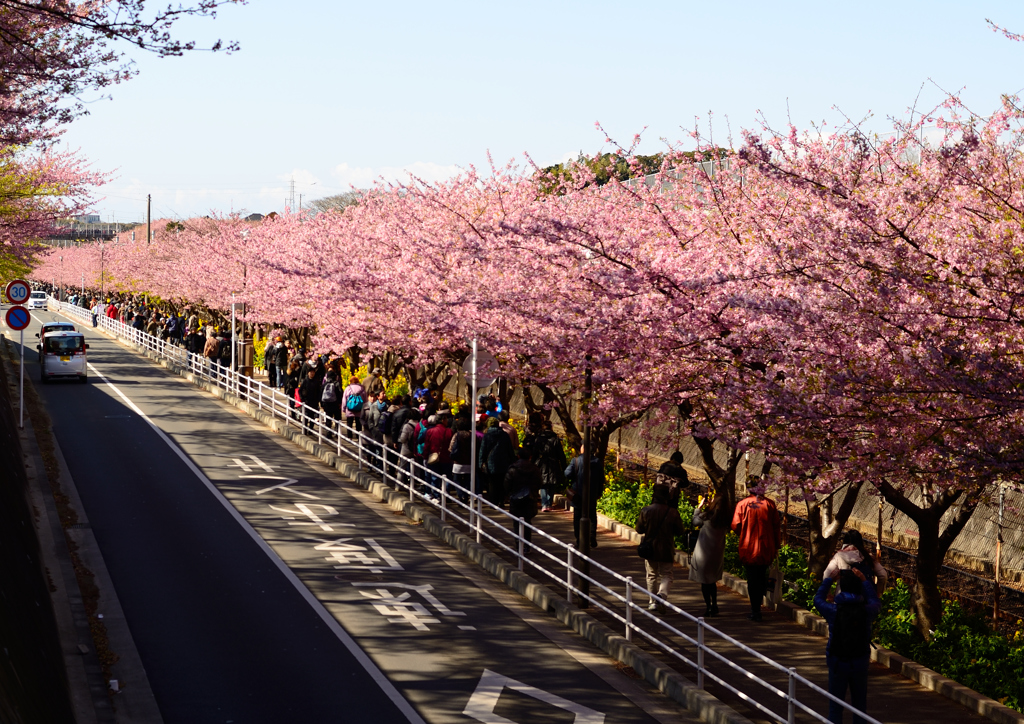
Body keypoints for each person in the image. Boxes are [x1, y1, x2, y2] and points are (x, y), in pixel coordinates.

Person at [814, 568, 881, 724]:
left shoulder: (833, 610)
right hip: (860, 661)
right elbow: (876, 602)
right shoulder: (867, 611)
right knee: (859, 707)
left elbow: (818, 600)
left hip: (837, 660)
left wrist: (829, 580)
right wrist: (864, 580)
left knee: (835, 707)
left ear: (842, 587)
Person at [732, 476, 782, 621]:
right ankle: (758, 607)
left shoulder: (742, 504)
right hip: (766, 547)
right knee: (761, 576)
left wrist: (743, 534)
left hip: (748, 547)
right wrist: (776, 546)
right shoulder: (770, 504)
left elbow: (735, 525)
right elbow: (776, 527)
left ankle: (755, 609)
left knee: (752, 578)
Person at [635, 480, 685, 613]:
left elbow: (639, 529)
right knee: (667, 574)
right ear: (667, 496)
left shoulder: (646, 510)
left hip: (650, 548)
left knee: (651, 574)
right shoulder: (673, 512)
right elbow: (680, 531)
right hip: (666, 548)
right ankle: (661, 596)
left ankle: (652, 602)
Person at [689, 492, 729, 616]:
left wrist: (699, 507)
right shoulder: (725, 519)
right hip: (716, 554)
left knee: (704, 582)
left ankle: (709, 606)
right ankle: (715, 604)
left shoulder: (707, 516)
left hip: (703, 553)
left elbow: (695, 522)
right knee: (712, 581)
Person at [824, 530, 888, 596]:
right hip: (865, 598)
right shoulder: (868, 555)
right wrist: (878, 592)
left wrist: (828, 594)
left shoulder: (839, 556)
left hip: (843, 597)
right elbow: (883, 575)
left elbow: (826, 575)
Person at [565, 446, 605, 548]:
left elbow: (567, 473)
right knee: (592, 516)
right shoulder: (597, 462)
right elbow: (601, 479)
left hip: (578, 495)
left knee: (577, 517)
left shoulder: (576, 461)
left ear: (583, 449)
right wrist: (599, 492)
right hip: (592, 495)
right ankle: (592, 535)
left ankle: (579, 539)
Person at [504, 448, 543, 544]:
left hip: (516, 498)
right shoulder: (535, 469)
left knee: (517, 522)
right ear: (530, 457)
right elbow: (539, 483)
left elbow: (507, 484)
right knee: (527, 522)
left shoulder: (513, 468)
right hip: (530, 498)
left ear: (518, 456)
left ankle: (519, 545)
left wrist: (508, 494)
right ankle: (527, 545)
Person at [479, 417, 515, 507]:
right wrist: (512, 461)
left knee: (492, 483)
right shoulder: (505, 435)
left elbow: (483, 450)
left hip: (490, 463)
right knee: (502, 482)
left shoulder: (487, 436)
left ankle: (493, 502)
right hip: (503, 462)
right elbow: (510, 450)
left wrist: (481, 462)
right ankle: (501, 501)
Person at [340, 375, 366, 439]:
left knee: (349, 424)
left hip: (349, 409)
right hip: (359, 409)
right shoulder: (362, 389)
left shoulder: (348, 388)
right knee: (358, 424)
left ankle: (349, 437)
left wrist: (343, 409)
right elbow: (365, 399)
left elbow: (344, 399)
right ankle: (358, 437)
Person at [299, 368, 322, 435]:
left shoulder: (316, 381)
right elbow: (300, 390)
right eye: (311, 372)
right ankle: (305, 429)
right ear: (308, 373)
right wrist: (302, 398)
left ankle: (310, 430)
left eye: (313, 372)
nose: (312, 373)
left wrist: (318, 400)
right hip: (306, 401)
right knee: (306, 416)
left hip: (314, 402)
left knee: (312, 417)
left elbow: (319, 391)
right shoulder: (305, 381)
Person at [320, 369, 342, 438]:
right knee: (337, 419)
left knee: (328, 419)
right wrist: (340, 403)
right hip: (335, 404)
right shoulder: (337, 383)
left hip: (327, 404)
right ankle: (337, 433)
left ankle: (328, 433)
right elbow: (340, 393)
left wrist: (322, 404)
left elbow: (320, 394)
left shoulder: (324, 384)